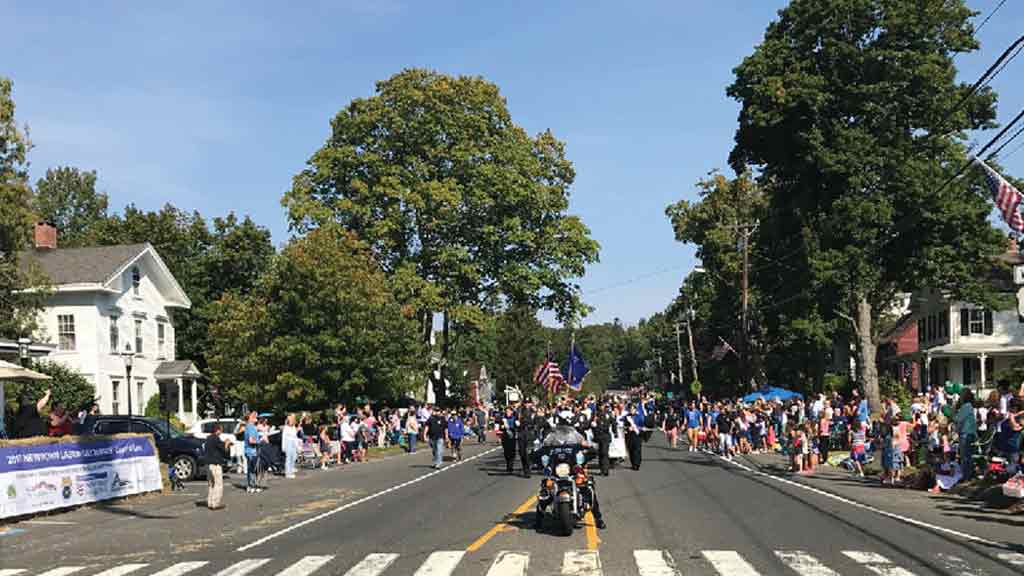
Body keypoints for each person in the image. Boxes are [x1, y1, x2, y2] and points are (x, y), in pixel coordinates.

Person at [533, 416, 606, 530]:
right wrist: (536, 455)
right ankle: (538, 521)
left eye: (565, 425)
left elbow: (585, 445)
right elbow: (543, 447)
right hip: (557, 471)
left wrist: (590, 448)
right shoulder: (551, 437)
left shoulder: (575, 436)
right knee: (545, 491)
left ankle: (598, 519)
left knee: (588, 489)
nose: (563, 429)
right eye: (561, 426)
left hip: (572, 469)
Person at [204, 423, 231, 509]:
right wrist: (227, 443)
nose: (221, 431)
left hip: (208, 464)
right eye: (221, 430)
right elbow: (223, 449)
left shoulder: (208, 438)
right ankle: (215, 503)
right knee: (218, 484)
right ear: (217, 430)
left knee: (211, 484)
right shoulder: (216, 438)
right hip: (215, 464)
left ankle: (210, 502)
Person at [955, 389, 977, 481]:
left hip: (966, 433)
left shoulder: (966, 406)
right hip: (970, 432)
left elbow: (957, 419)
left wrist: (951, 411)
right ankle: (968, 475)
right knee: (968, 456)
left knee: (965, 456)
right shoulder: (969, 406)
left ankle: (966, 476)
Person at [243, 411, 263, 493]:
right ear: (250, 418)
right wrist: (259, 441)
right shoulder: (251, 427)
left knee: (251, 469)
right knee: (254, 469)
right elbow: (251, 440)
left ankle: (250, 486)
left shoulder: (248, 426)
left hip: (249, 451)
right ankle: (253, 486)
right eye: (254, 416)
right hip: (252, 451)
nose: (256, 418)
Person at [592, 404, 615, 476]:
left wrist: (615, 432)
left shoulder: (608, 414)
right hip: (598, 436)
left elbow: (613, 423)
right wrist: (593, 425)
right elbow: (591, 424)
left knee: (604, 453)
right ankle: (602, 469)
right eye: (600, 405)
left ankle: (605, 470)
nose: (601, 407)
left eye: (602, 406)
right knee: (600, 453)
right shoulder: (596, 415)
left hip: (605, 435)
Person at [517, 402, 537, 478]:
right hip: (521, 432)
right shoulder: (520, 410)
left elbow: (536, 421)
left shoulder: (533, 411)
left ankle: (528, 470)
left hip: (529, 432)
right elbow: (517, 419)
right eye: (526, 403)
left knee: (527, 452)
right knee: (522, 452)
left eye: (529, 403)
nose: (527, 404)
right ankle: (524, 468)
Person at [499, 406, 518, 474]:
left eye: (509, 411)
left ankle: (510, 466)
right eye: (506, 411)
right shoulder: (503, 419)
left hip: (512, 436)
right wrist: (502, 427)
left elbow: (517, 426)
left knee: (512, 451)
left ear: (512, 412)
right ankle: (508, 464)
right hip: (505, 437)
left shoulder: (515, 418)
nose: (507, 413)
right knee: (506, 452)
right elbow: (500, 428)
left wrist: (516, 426)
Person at [625, 404, 643, 471]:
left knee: (637, 450)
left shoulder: (639, 417)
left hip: (637, 435)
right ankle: (633, 463)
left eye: (633, 409)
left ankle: (637, 464)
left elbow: (642, 425)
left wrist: (639, 428)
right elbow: (623, 426)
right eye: (630, 409)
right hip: (629, 435)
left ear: (635, 409)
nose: (632, 410)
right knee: (631, 450)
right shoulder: (626, 417)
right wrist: (627, 428)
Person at [282, 414, 298, 479]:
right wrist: (283, 447)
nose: (291, 422)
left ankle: (291, 470)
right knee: (288, 458)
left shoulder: (294, 427)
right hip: (288, 443)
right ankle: (288, 473)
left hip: (293, 442)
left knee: (294, 457)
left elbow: (295, 437)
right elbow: (283, 437)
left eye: (292, 420)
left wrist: (297, 445)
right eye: (290, 421)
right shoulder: (286, 427)